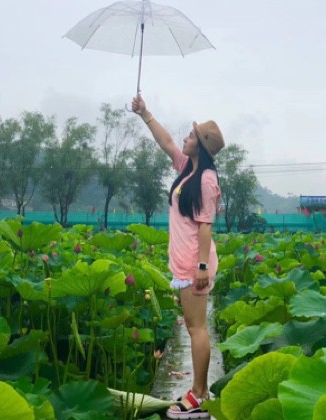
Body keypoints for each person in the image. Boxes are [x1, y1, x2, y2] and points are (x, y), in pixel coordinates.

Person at [132, 95, 224, 420]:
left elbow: (205, 226)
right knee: (193, 327)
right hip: (185, 262)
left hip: (195, 264)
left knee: (197, 328)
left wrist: (201, 267)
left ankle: (199, 396)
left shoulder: (207, 180)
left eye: (191, 136)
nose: (185, 139)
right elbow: (167, 142)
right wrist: (145, 114)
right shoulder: (188, 170)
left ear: (201, 146)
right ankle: (198, 391)